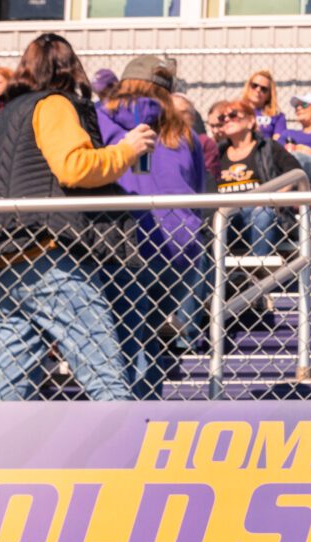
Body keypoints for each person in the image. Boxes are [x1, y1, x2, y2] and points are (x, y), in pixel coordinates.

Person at [0, 32, 149, 402]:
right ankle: (128, 456)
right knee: (107, 379)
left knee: (10, 389)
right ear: (71, 68)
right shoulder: (53, 104)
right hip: (46, 254)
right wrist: (126, 150)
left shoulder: (0, 120)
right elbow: (74, 167)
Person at [99, 58, 208, 393]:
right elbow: (201, 189)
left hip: (127, 245)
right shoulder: (184, 133)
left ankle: (130, 420)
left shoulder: (100, 119)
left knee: (126, 340)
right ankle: (145, 411)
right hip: (180, 248)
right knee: (147, 334)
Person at [209, 98, 299, 259]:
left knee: (262, 213)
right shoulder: (218, 153)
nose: (227, 119)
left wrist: (273, 199)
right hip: (228, 215)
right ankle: (216, 274)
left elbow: (295, 173)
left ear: (251, 121)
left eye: (234, 115)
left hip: (260, 215)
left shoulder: (267, 147)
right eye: (223, 118)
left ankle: (257, 274)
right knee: (217, 217)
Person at [244, 69, 288, 142]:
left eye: (263, 89)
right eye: (254, 85)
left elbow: (278, 143)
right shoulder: (235, 111)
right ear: (248, 87)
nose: (258, 90)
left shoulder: (277, 116)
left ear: (269, 95)